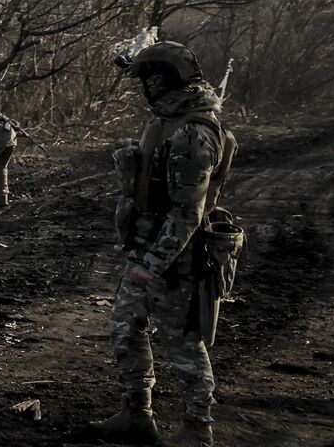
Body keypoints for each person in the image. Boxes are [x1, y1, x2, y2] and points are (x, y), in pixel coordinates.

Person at [89, 41, 229, 447]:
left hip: (178, 259)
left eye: (145, 80)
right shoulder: (167, 122)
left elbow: (188, 212)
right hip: (147, 248)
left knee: (184, 343)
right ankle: (137, 413)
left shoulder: (193, 133)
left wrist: (152, 263)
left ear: (161, 82)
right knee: (124, 328)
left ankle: (197, 427)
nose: (142, 89)